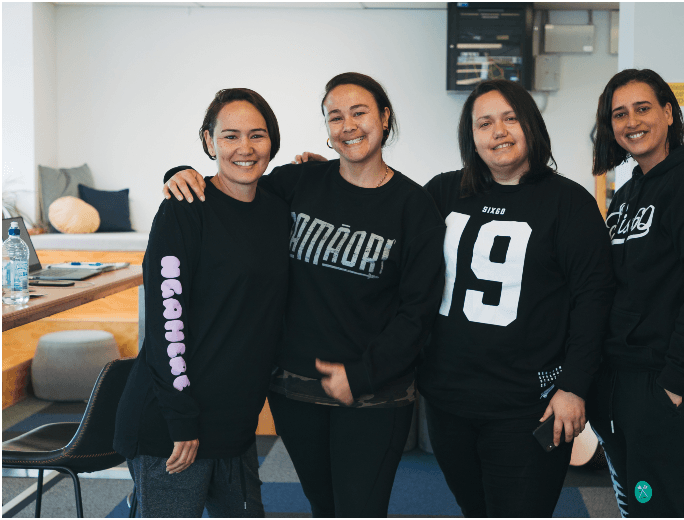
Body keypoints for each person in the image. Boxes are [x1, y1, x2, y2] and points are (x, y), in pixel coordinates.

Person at [161, 72, 446, 517]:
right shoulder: (299, 182)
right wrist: (180, 173)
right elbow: (233, 185)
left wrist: (363, 375)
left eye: (359, 112)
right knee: (323, 506)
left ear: (385, 118)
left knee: (359, 510)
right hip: (294, 392)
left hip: (373, 395)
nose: (348, 125)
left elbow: (419, 310)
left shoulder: (414, 206)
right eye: (336, 116)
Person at [417, 79, 615, 517]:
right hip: (449, 400)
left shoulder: (569, 203)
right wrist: (337, 176)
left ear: (530, 125)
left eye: (510, 118)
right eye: (484, 123)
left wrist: (574, 387)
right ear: (471, 136)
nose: (498, 132)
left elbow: (593, 301)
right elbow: (388, 222)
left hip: (530, 406)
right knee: (476, 510)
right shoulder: (442, 192)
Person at [113, 88, 289, 517]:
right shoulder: (185, 208)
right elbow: (166, 322)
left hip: (236, 424)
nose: (245, 148)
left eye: (257, 135)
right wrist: (181, 419)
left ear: (272, 141)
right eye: (230, 136)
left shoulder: (278, 209)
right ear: (209, 142)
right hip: (173, 426)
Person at [586, 68, 684, 517]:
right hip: (629, 380)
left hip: (678, 381)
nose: (632, 121)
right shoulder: (626, 195)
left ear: (669, 113)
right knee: (638, 505)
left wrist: (673, 385)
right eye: (620, 114)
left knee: (664, 508)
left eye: (643, 108)